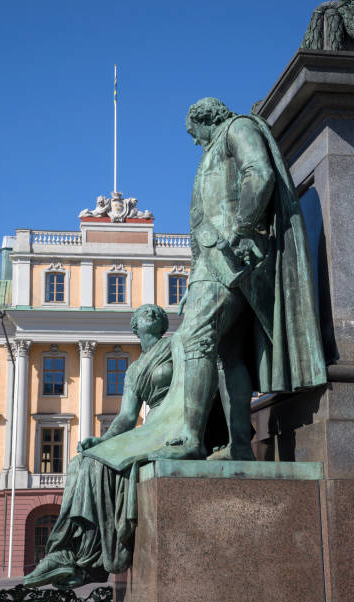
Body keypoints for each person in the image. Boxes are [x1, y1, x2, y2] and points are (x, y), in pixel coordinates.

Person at [149, 97, 327, 462]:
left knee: (195, 339)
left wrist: (244, 229)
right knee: (228, 354)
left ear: (205, 118)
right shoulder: (212, 150)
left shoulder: (237, 128)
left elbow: (259, 171)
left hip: (228, 258)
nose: (194, 141)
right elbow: (202, 216)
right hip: (213, 262)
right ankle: (241, 445)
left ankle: (191, 438)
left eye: (193, 133)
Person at [24, 304, 172, 588]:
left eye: (156, 312)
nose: (151, 313)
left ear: (164, 324)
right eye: (144, 312)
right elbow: (127, 417)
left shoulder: (175, 345)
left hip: (174, 420)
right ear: (135, 327)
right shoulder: (133, 371)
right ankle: (72, 552)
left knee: (95, 464)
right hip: (152, 425)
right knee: (82, 461)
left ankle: (84, 559)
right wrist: (103, 440)